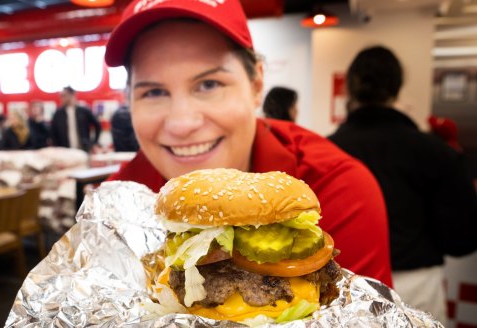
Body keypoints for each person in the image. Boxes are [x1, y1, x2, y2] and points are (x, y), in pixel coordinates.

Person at [104, 0, 392, 286]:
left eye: (209, 84)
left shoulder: (338, 188)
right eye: (153, 92)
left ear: (256, 86)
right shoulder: (116, 201)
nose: (182, 124)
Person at [328, 46, 477, 323]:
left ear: (350, 89)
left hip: (344, 287)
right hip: (417, 286)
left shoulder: (328, 150)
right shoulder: (435, 150)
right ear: (396, 88)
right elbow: (463, 238)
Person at [51, 87, 101, 152]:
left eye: (64, 96)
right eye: (61, 96)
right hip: (65, 150)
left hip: (83, 149)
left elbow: (97, 125)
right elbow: (53, 132)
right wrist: (57, 147)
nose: (62, 98)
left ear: (72, 95)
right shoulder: (58, 113)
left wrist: (94, 142)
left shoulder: (84, 111)